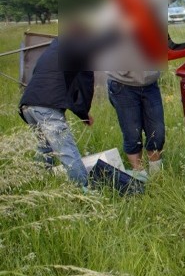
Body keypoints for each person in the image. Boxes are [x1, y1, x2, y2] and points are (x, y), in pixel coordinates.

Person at [19, 37, 96, 188]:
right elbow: (85, 85)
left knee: (44, 148)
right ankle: (85, 191)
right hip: (46, 107)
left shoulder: (55, 48)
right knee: (67, 150)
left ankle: (39, 184)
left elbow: (49, 79)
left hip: (28, 104)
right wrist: (84, 114)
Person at [105, 66, 165, 181]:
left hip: (150, 84)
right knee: (132, 135)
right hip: (122, 84)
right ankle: (141, 178)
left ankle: (156, 176)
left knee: (158, 133)